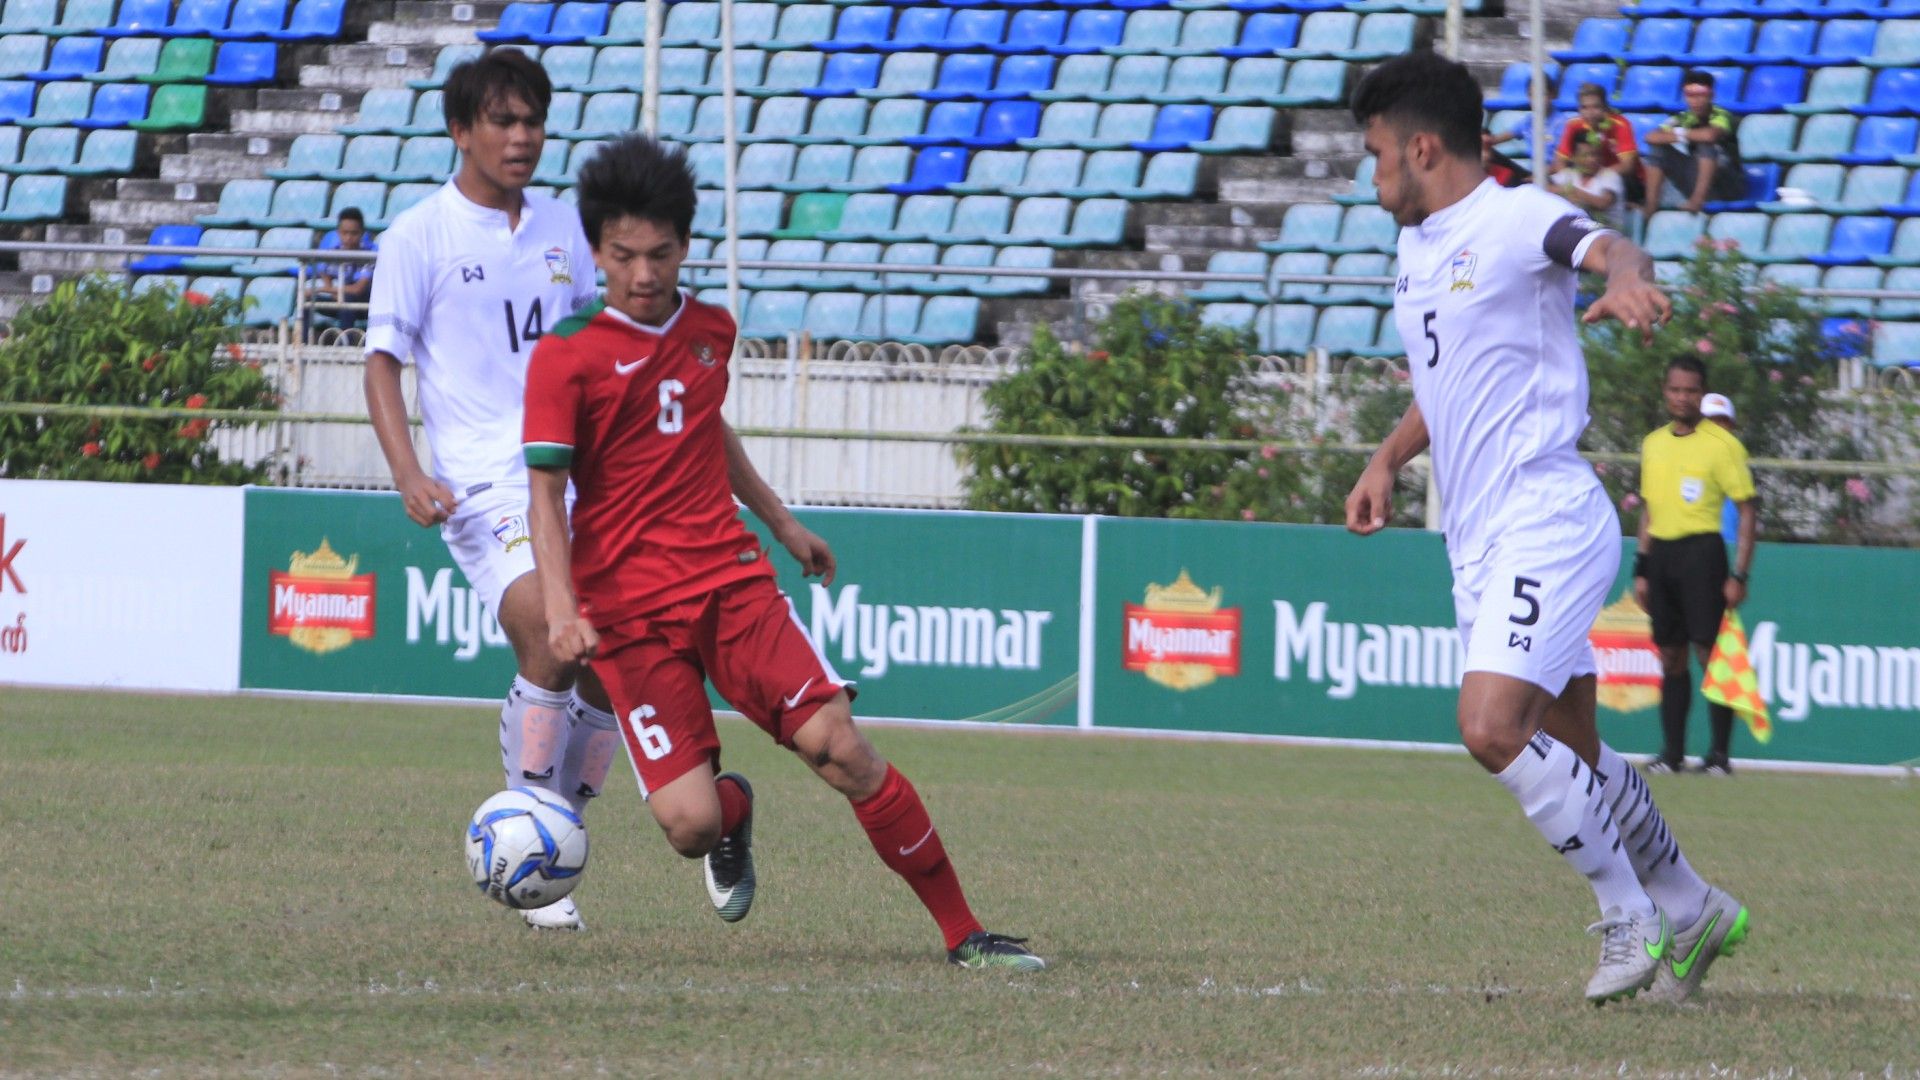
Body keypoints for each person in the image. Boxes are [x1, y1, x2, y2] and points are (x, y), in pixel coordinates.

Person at [520, 133, 1046, 972]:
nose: (644, 274)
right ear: (596, 251)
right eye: (623, 256)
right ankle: (732, 810)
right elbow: (546, 494)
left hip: (728, 584)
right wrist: (560, 608)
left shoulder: (711, 330)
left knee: (840, 746)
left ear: (685, 246)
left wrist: (782, 523)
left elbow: (705, 427)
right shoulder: (565, 356)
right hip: (627, 614)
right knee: (691, 826)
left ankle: (964, 934)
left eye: (661, 254)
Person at [1342, 50, 1748, 1004]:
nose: (1372, 173)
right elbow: (1448, 384)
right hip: (1479, 541)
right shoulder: (1417, 251)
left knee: (1490, 727)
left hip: (1548, 514)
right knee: (1578, 753)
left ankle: (1629, 915)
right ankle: (1691, 904)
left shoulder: (1516, 216)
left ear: (1423, 148)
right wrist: (1386, 458)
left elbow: (1607, 249)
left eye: (1376, 153)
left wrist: (1632, 278)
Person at [363, 50, 617, 932]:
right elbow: (383, 364)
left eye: (533, 121)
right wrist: (409, 472)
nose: (522, 137)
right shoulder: (419, 236)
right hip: (483, 485)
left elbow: (596, 346)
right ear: (460, 131)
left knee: (614, 656)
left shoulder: (565, 228)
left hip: (576, 475)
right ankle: (531, 829)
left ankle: (550, 835)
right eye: (503, 121)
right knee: (551, 632)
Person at [1634, 365, 1757, 777]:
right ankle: (1672, 754)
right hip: (1663, 555)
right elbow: (1648, 510)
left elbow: (1747, 509)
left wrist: (1739, 574)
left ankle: (1719, 755)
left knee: (1709, 653)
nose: (1682, 397)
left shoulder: (1722, 445)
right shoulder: (1653, 443)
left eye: (1690, 390)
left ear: (1702, 394)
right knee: (1670, 655)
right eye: (1675, 389)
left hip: (1703, 554)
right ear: (1665, 391)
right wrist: (1642, 568)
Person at [1642, 70, 1745, 216]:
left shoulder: (1721, 115)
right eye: (1690, 95)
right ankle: (1651, 205)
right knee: (1658, 149)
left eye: (1701, 95)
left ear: (1711, 96)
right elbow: (1651, 136)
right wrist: (1684, 134)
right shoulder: (1683, 118)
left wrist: (1677, 134)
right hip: (1695, 177)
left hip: (1727, 184)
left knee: (1706, 146)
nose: (1695, 101)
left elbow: (1710, 135)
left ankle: (1697, 200)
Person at [1554, 83, 1642, 203]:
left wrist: (1595, 179)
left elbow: (1627, 166)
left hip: (1620, 179)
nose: (1590, 113)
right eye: (1584, 108)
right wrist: (1571, 182)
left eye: (1595, 107)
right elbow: (1560, 162)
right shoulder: (1573, 125)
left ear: (1605, 107)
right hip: (1586, 177)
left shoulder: (1620, 125)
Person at [307, 207, 375, 328]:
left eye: (354, 233)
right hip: (341, 299)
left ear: (362, 233)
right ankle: (303, 339)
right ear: (338, 232)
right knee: (307, 299)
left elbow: (357, 289)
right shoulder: (334, 251)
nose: (348, 238)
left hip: (367, 304)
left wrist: (322, 289)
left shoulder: (371, 253)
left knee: (347, 299)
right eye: (344, 233)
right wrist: (330, 289)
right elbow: (324, 271)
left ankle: (345, 339)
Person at [1550, 139, 1628, 230]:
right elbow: (1544, 188)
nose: (1592, 159)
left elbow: (1603, 203)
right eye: (1585, 155)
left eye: (1596, 154)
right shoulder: (1569, 174)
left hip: (1607, 231)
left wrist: (1572, 191)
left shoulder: (1610, 176)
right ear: (1574, 157)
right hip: (1576, 230)